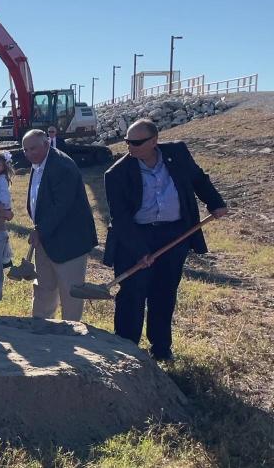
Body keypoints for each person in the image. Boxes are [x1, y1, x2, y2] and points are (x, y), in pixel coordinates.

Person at [104, 118, 227, 361]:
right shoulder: (116, 173)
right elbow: (121, 219)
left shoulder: (177, 153)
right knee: (132, 293)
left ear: (154, 141)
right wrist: (140, 251)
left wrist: (215, 203)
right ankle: (127, 350)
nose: (130, 147)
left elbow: (198, 179)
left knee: (164, 292)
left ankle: (161, 350)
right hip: (135, 236)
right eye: (127, 141)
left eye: (137, 142)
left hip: (174, 234)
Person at [23, 129, 97, 321]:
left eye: (33, 148)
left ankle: (70, 333)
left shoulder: (62, 166)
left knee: (70, 292)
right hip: (46, 239)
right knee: (44, 288)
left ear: (46, 144)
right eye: (26, 150)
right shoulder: (38, 163)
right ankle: (41, 327)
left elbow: (62, 206)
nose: (29, 153)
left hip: (69, 242)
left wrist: (39, 230)